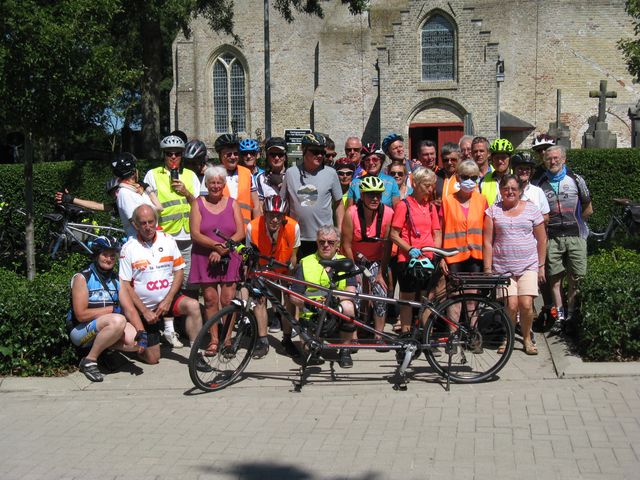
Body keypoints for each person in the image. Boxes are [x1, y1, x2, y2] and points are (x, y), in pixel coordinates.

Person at [119, 205, 210, 371]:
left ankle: (196, 355)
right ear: (136, 225)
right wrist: (144, 311)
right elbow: (125, 285)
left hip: (169, 300)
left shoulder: (168, 239)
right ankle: (126, 347)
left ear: (156, 221)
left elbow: (179, 271)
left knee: (193, 306)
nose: (148, 227)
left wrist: (168, 300)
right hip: (145, 310)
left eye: (151, 222)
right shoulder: (128, 248)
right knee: (153, 359)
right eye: (143, 223)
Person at [143, 134, 201, 347]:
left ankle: (187, 327)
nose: (174, 158)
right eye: (169, 154)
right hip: (166, 238)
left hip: (188, 237)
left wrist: (186, 192)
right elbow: (149, 206)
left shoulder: (190, 176)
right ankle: (168, 329)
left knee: (189, 284)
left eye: (178, 153)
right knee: (167, 284)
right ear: (164, 155)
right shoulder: (153, 175)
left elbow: (198, 205)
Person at [483, 175, 547, 355]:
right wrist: (488, 269)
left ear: (520, 191)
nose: (509, 192)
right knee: (511, 305)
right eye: (505, 188)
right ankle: (508, 337)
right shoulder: (492, 211)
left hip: (528, 265)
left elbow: (542, 239)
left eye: (513, 188)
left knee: (526, 304)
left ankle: (526, 337)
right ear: (500, 191)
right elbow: (487, 242)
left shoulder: (532, 210)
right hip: (503, 267)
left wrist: (541, 265)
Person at [188, 165, 245, 355]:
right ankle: (213, 339)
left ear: (224, 184)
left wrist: (223, 250)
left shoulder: (232, 203)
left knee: (228, 299)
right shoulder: (198, 203)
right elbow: (195, 234)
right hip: (204, 255)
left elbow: (240, 232)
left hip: (229, 255)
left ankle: (227, 340)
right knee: (211, 300)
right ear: (207, 183)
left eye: (219, 182)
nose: (215, 186)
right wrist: (215, 246)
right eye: (212, 182)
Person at [67, 236, 138, 382]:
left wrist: (141, 332)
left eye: (112, 255)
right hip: (80, 330)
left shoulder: (116, 279)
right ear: (97, 255)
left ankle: (103, 348)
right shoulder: (83, 277)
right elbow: (81, 315)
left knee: (135, 342)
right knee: (118, 320)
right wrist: (111, 310)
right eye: (105, 254)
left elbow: (129, 309)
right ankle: (89, 360)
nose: (109, 259)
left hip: (105, 326)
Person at [537, 145, 593, 334]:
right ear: (544, 161)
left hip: (575, 236)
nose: (552, 162)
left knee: (575, 278)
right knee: (555, 280)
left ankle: (571, 316)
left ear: (564, 159)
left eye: (556, 158)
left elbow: (588, 207)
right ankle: (560, 318)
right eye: (549, 159)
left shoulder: (576, 179)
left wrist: (577, 223)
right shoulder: (540, 183)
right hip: (552, 238)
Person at [290, 225, 358, 368]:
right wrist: (313, 304)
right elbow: (294, 296)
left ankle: (345, 351)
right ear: (317, 242)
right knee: (310, 354)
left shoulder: (345, 262)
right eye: (322, 242)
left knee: (349, 307)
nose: (326, 245)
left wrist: (330, 302)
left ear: (338, 244)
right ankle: (314, 348)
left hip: (336, 311)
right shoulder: (305, 263)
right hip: (311, 315)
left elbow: (351, 292)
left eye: (331, 242)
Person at [246, 195, 301, 358]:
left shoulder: (294, 227)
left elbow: (293, 256)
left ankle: (286, 339)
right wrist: (254, 274)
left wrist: (288, 282)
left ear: (284, 216)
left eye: (279, 216)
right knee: (259, 300)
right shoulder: (252, 227)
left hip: (284, 268)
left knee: (288, 301)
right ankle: (262, 341)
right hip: (261, 267)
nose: (275, 219)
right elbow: (249, 254)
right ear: (264, 213)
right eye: (271, 215)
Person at [390, 167, 442, 333]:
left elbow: (437, 232)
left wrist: (435, 253)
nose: (430, 188)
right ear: (415, 184)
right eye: (426, 185)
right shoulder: (403, 205)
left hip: (427, 259)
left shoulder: (431, 207)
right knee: (407, 298)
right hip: (408, 260)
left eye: (432, 185)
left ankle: (426, 335)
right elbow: (394, 235)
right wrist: (410, 249)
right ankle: (406, 334)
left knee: (427, 298)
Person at [341, 176, 393, 342]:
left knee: (380, 292)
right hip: (355, 259)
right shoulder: (351, 213)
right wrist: (354, 271)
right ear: (362, 196)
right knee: (354, 293)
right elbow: (346, 244)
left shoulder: (388, 213)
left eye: (378, 194)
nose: (375, 198)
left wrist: (381, 274)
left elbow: (387, 247)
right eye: (370, 195)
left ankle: (378, 335)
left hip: (376, 259)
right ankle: (353, 334)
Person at [281, 132, 345, 258]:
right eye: (315, 151)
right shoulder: (291, 173)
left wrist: (339, 232)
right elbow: (282, 204)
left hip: (324, 239)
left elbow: (339, 205)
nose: (320, 155)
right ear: (304, 150)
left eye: (322, 152)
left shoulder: (331, 173)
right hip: (298, 238)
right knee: (299, 276)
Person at [441, 160, 488, 275]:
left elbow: (487, 232)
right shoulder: (447, 201)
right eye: (465, 177)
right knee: (455, 292)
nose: (469, 181)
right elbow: (439, 232)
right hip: (452, 257)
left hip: (476, 256)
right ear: (457, 178)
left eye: (473, 178)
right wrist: (441, 257)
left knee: (473, 292)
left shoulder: (482, 201)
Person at [111, 152, 163, 238]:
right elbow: (136, 224)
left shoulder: (136, 192)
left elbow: (159, 207)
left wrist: (147, 188)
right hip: (141, 243)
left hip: (151, 240)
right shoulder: (124, 193)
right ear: (134, 172)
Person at [215, 134, 261, 228]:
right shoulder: (213, 175)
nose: (233, 157)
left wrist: (256, 230)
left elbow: (256, 206)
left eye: (235, 154)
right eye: (228, 154)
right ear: (221, 156)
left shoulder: (247, 174)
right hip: (221, 232)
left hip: (244, 232)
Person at [347, 143, 400, 208]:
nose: (371, 163)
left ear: (381, 161)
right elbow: (349, 211)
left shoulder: (391, 182)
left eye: (375, 159)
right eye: (367, 160)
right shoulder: (355, 183)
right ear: (363, 163)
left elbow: (397, 211)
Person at [511, 152, 550, 222]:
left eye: (527, 169)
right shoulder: (505, 191)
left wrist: (532, 214)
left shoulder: (538, 191)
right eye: (520, 168)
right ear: (514, 170)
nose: (524, 171)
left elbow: (546, 217)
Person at [480, 138, 514, 206]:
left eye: (503, 157)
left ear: (510, 159)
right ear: (492, 159)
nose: (500, 161)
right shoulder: (484, 180)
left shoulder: (517, 178)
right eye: (496, 158)